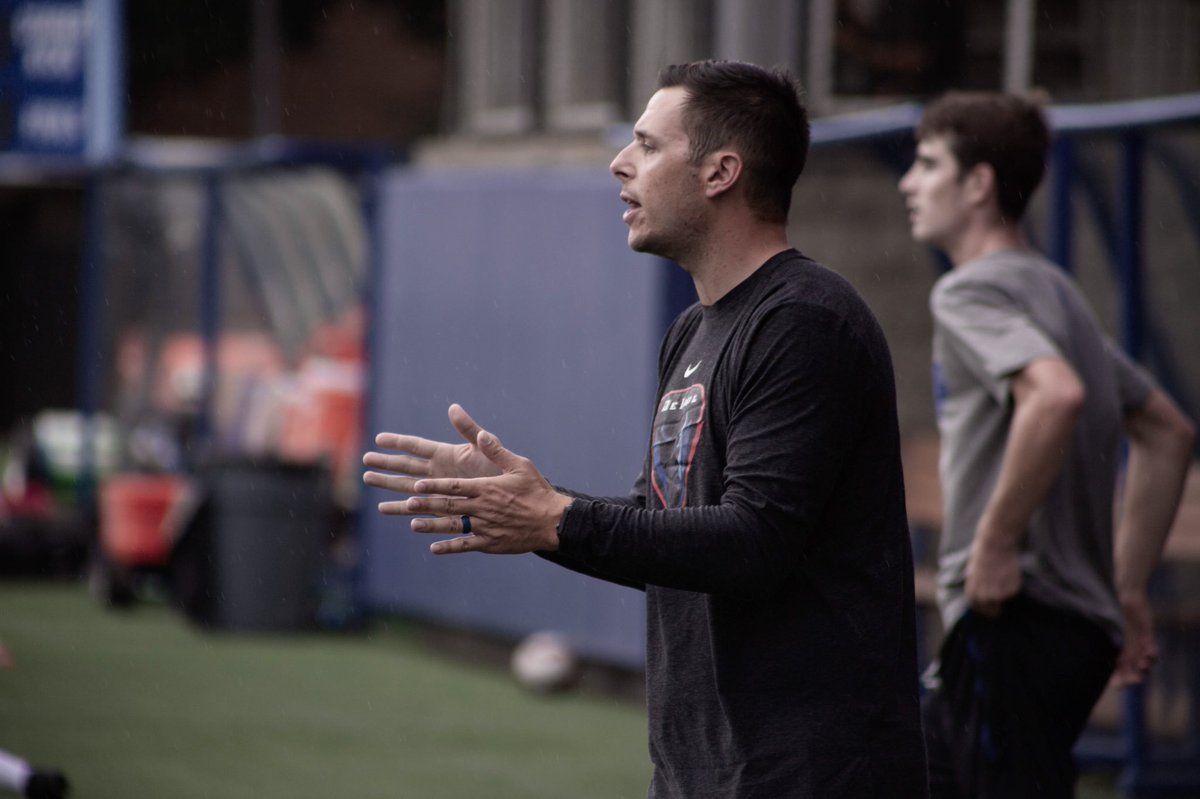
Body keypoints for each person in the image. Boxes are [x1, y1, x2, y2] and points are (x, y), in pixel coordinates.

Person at [364, 60, 928, 798]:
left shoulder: (802, 321)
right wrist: (535, 506)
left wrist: (556, 519)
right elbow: (665, 530)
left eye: (648, 145)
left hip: (809, 773)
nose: (618, 163)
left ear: (720, 171)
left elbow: (753, 541)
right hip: (701, 771)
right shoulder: (692, 331)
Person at [898, 91, 1196, 798]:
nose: (909, 181)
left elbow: (1054, 394)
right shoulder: (1059, 293)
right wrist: (1124, 591)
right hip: (1069, 633)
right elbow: (1168, 430)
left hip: (1015, 625)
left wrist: (996, 542)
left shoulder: (968, 292)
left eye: (928, 162)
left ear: (978, 185)